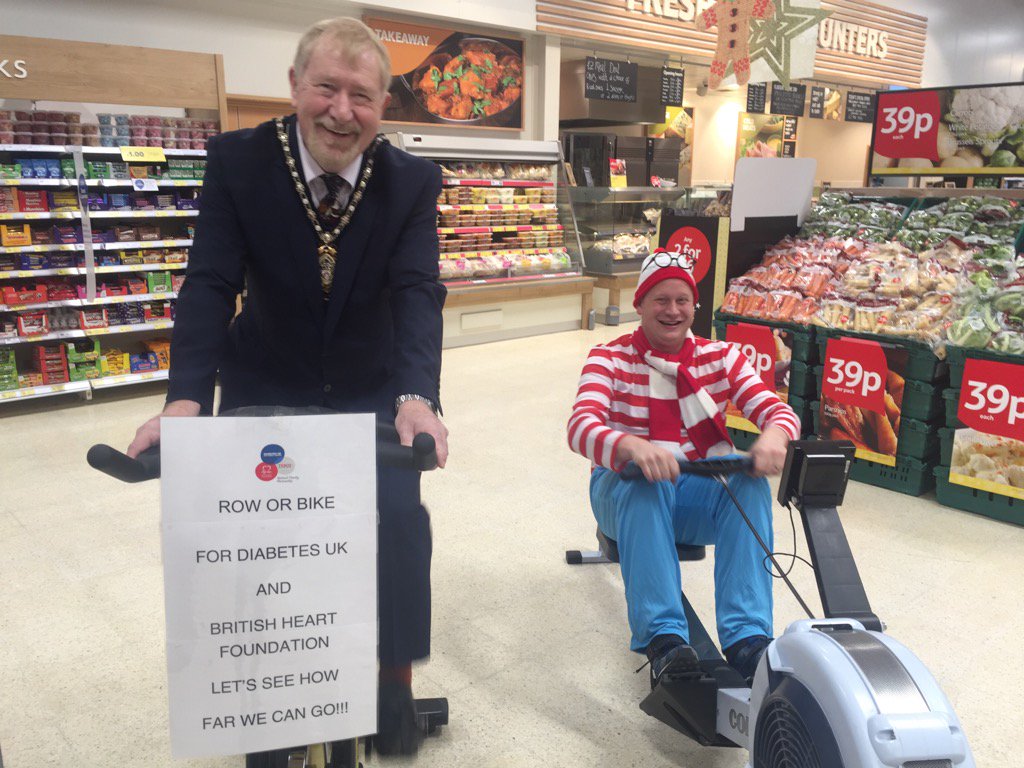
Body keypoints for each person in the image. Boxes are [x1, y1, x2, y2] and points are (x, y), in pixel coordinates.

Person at [127, 17, 448, 755]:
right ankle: (268, 695)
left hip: (370, 384)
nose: (342, 111)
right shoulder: (238, 161)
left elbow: (416, 291)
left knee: (399, 520)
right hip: (265, 375)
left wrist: (417, 397)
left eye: (362, 96)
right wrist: (184, 400)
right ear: (295, 85)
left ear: (384, 105)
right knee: (255, 537)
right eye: (327, 88)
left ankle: (391, 683)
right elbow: (211, 282)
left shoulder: (411, 180)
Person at [567, 249, 799, 688]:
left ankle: (748, 639)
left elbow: (776, 410)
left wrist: (774, 436)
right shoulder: (608, 358)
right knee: (648, 486)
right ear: (639, 304)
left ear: (694, 306)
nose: (672, 310)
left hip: (693, 488)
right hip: (622, 491)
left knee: (748, 486)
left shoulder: (722, 357)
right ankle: (664, 641)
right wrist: (632, 446)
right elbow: (580, 428)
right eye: (661, 300)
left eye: (682, 300)